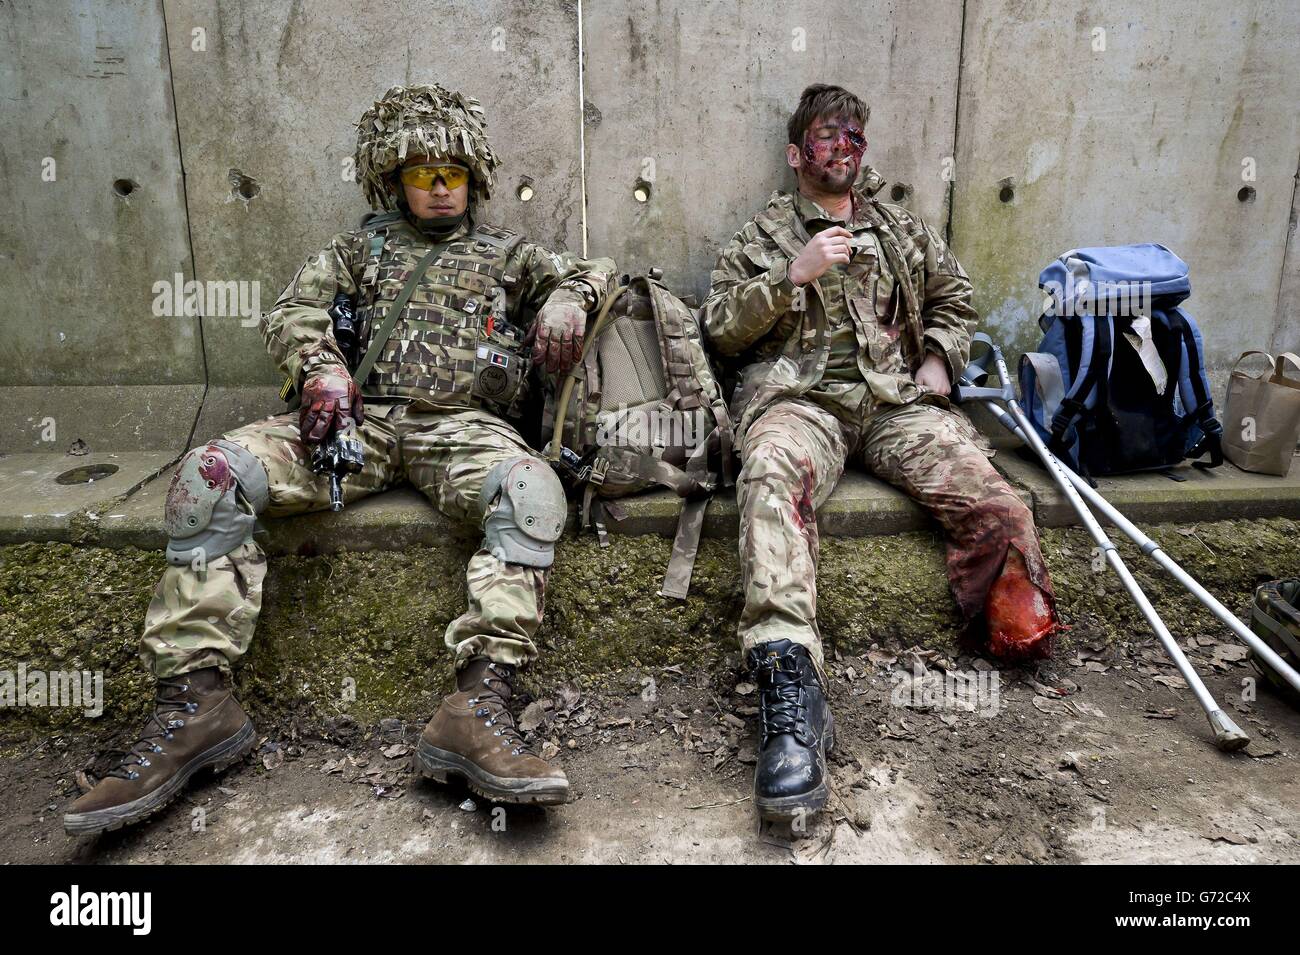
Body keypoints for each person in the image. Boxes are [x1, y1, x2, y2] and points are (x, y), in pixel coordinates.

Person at [65, 84, 615, 835]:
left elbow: (595, 269)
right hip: (357, 427)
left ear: (476, 178)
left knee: (531, 493)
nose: (441, 183)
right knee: (209, 479)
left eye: (454, 170)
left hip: (461, 429)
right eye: (423, 172)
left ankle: (479, 705)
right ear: (394, 180)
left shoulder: (510, 254)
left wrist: (567, 298)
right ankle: (194, 706)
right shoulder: (362, 249)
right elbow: (293, 310)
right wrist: (321, 368)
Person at [700, 83, 1060, 822]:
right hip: (801, 404)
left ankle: (1006, 621)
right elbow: (719, 329)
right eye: (828, 138)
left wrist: (940, 360)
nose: (844, 150)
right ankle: (790, 690)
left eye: (854, 138)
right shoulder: (763, 235)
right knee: (768, 473)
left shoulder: (899, 226)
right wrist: (789, 275)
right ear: (798, 153)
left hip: (895, 404)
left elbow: (955, 296)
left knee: (993, 497)